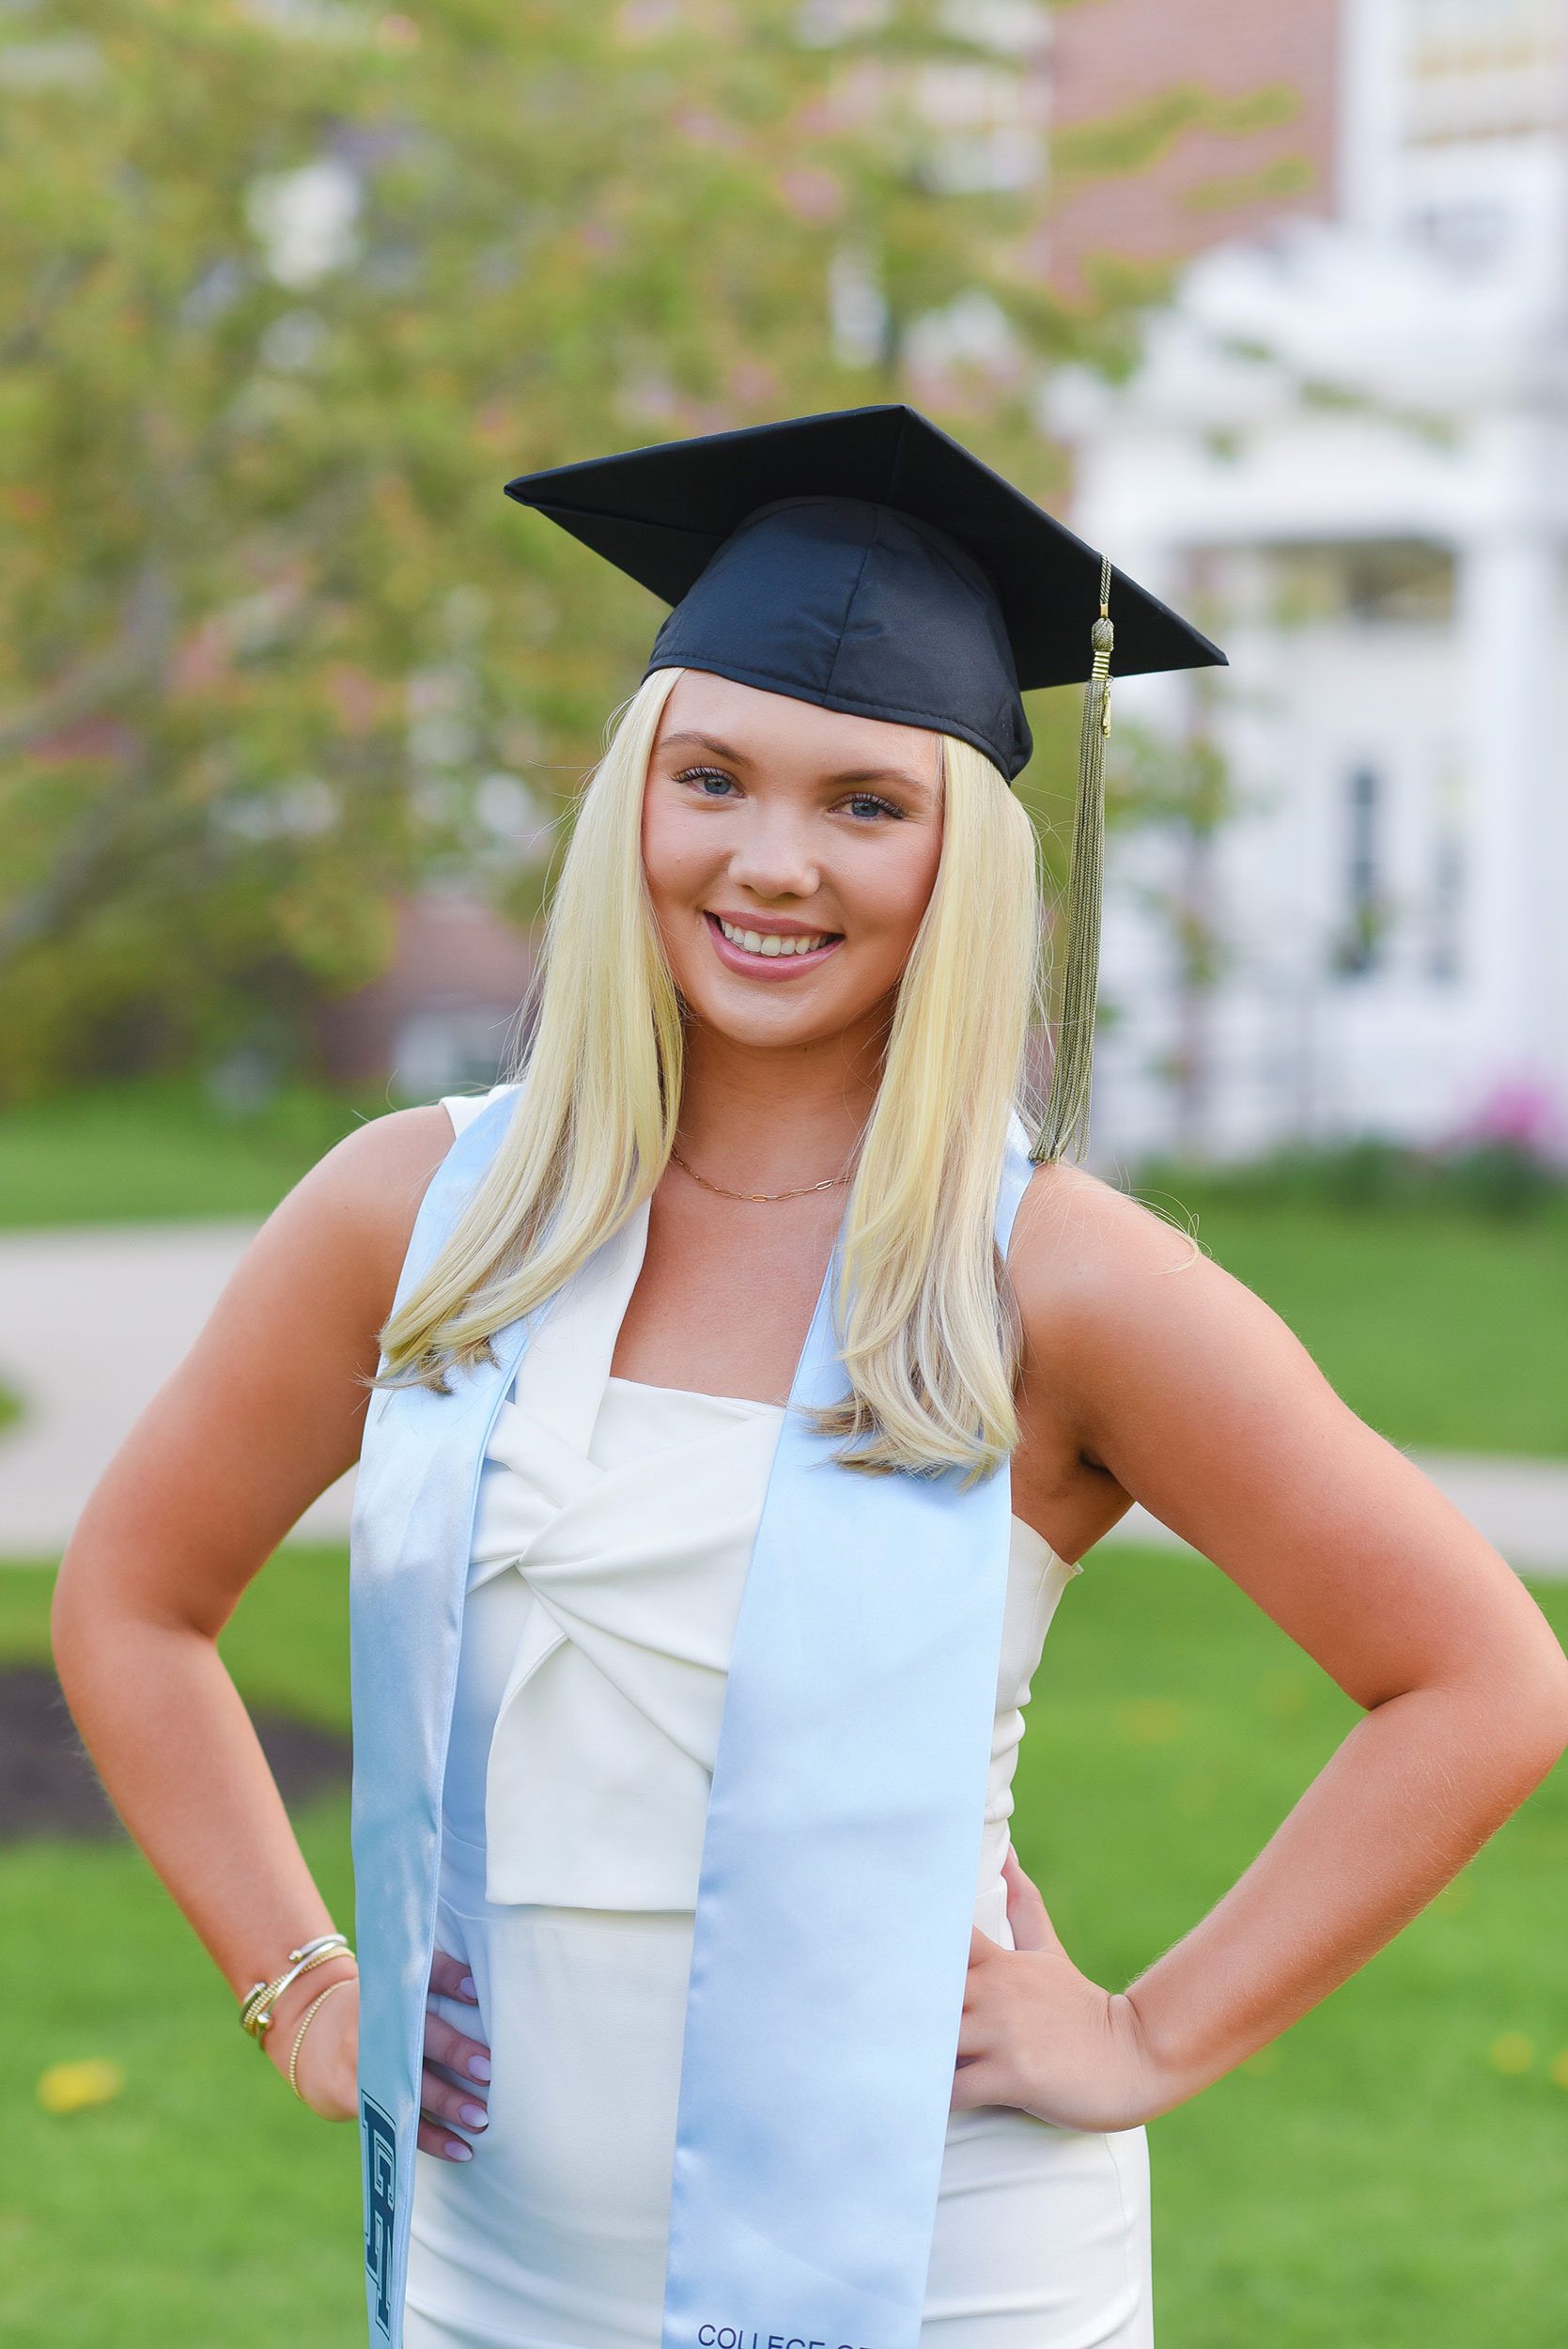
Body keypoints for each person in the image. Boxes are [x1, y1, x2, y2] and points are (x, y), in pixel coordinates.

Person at [52, 407, 1568, 2349]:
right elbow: (136, 1594)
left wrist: (1139, 2030)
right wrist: (299, 1981)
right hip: (489, 2253)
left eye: (866, 800)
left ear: (966, 853)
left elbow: (1479, 1673)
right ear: (635, 803)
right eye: (715, 779)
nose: (773, 860)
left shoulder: (1053, 1278)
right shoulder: (418, 1212)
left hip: (935, 2263)